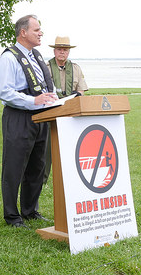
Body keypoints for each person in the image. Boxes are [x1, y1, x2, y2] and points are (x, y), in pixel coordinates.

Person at [0, 14, 58, 228]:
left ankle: (30, 210)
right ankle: (12, 216)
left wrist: (54, 98)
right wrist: (33, 101)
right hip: (19, 117)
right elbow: (4, 92)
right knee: (14, 167)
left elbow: (45, 86)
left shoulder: (37, 56)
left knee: (37, 166)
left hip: (41, 117)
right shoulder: (9, 57)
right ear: (23, 33)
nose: (41, 33)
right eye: (36, 30)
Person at [43, 36, 89, 184]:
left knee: (72, 149)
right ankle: (41, 180)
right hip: (51, 113)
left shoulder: (75, 68)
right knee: (46, 151)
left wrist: (74, 97)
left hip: (70, 114)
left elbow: (81, 91)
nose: (62, 52)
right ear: (54, 51)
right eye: (59, 49)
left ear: (68, 52)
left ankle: (71, 181)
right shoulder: (46, 68)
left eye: (65, 50)